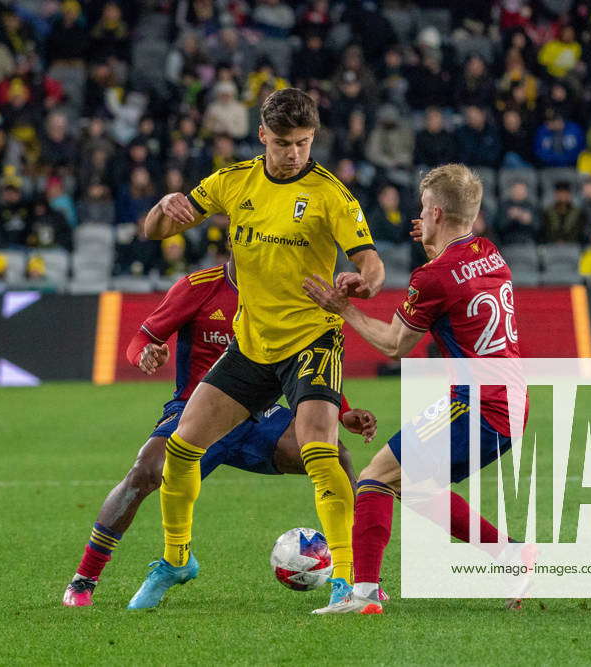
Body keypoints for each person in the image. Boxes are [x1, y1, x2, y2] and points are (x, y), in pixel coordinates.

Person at [127, 88, 384, 610]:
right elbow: (155, 231)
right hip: (252, 343)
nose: (295, 154)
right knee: (181, 447)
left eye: (305, 143)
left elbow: (373, 264)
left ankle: (350, 583)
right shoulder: (233, 181)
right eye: (285, 143)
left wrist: (362, 282)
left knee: (319, 448)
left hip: (312, 338)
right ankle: (177, 562)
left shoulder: (331, 193)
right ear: (264, 135)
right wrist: (161, 209)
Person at [62, 259, 378, 606]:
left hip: (259, 416)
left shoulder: (290, 289)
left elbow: (310, 361)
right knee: (144, 470)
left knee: (336, 455)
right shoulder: (198, 287)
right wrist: (145, 355)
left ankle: (361, 577)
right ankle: (84, 579)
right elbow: (142, 338)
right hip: (194, 413)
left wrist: (344, 411)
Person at [302, 164, 526, 614]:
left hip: (480, 406)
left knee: (374, 479)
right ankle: (513, 555)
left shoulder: (434, 276)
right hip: (507, 400)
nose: (418, 217)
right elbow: (450, 283)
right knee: (413, 486)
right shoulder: (490, 252)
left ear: (438, 212)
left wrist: (341, 306)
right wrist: (433, 238)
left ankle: (363, 595)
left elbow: (394, 345)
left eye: (425, 209)